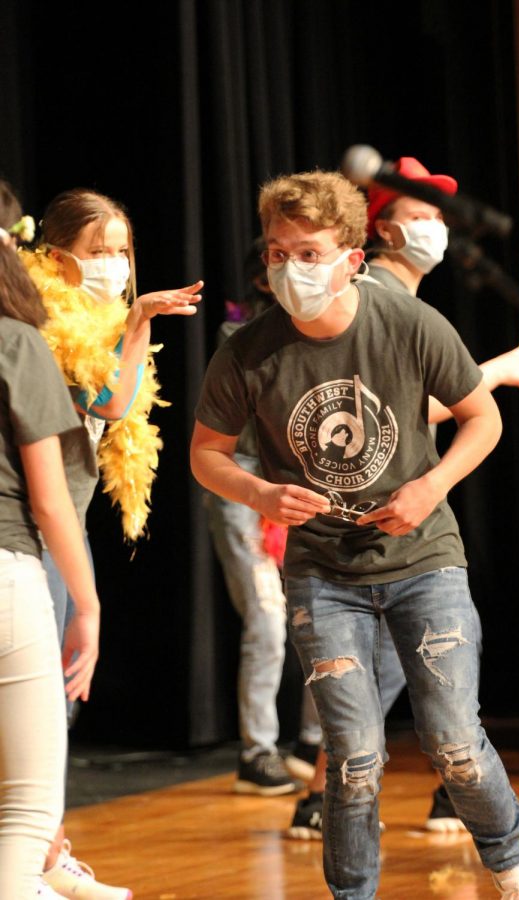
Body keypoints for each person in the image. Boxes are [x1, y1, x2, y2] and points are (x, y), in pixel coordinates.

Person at [191, 170, 519, 899]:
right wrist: (260, 490)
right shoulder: (247, 351)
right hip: (324, 574)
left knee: (454, 743)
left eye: (308, 253)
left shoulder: (409, 323)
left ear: (352, 257)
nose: (289, 269)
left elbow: (481, 417)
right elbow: (206, 454)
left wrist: (431, 486)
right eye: (276, 252)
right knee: (354, 757)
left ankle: (515, 871)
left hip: (423, 561)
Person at [288, 156, 519, 841]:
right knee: (395, 661)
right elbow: (395, 409)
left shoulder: (405, 297)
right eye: (421, 216)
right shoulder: (378, 293)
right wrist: (494, 372)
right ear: (381, 229)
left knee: (408, 662)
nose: (436, 230)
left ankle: (387, 796)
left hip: (402, 517)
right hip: (369, 523)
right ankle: (336, 799)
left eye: (441, 218)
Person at [20, 188, 202, 900]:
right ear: (55, 256)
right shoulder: (44, 323)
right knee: (41, 694)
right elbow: (109, 402)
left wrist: (125, 323)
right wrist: (137, 324)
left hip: (63, 521)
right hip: (32, 529)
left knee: (58, 695)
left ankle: (48, 850)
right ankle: (32, 857)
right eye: (99, 252)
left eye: (122, 251)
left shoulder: (97, 321)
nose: (115, 266)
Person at [0, 198, 100, 898]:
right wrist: (86, 605)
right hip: (6, 573)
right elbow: (49, 498)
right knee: (27, 810)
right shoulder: (15, 341)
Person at [205, 238, 321, 795]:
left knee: (321, 614)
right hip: (246, 484)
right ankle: (257, 750)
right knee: (268, 619)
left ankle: (313, 743)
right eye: (283, 263)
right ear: (261, 279)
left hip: (302, 483)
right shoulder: (239, 335)